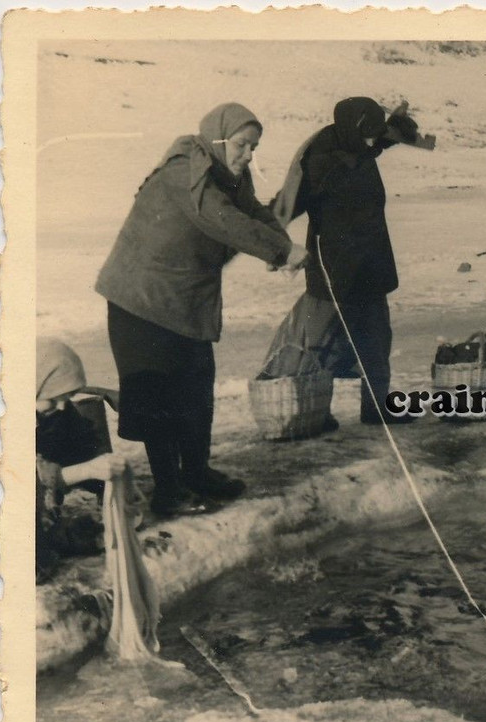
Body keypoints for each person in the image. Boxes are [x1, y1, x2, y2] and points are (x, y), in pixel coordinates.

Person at [95, 102, 307, 516]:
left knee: (196, 388)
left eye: (254, 147)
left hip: (185, 300)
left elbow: (253, 212)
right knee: (161, 396)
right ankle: (169, 492)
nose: (249, 156)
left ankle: (195, 472)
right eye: (243, 145)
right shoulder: (185, 171)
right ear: (219, 139)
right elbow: (222, 220)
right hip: (142, 301)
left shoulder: (227, 174)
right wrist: (281, 251)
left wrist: (279, 245)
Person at [260, 96, 420, 427]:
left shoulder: (360, 141)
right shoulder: (318, 160)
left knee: (376, 338)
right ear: (352, 129)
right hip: (332, 267)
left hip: (371, 262)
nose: (373, 142)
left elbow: (380, 138)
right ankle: (317, 411)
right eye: (368, 135)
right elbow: (287, 203)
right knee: (321, 344)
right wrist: (268, 241)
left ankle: (377, 407)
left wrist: (400, 129)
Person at [36, 338, 128, 581]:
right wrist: (88, 470)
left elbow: (84, 446)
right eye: (53, 397)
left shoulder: (49, 410)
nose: (62, 405)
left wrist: (110, 482)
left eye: (67, 396)